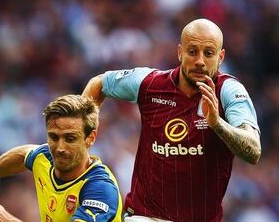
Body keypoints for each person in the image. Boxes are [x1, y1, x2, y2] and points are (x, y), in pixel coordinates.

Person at [82, 18, 261, 222]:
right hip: (144, 216)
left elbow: (253, 151)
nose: (200, 61)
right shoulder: (149, 84)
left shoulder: (229, 91)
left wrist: (217, 124)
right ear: (179, 52)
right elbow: (98, 84)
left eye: (208, 53)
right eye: (192, 51)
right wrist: (81, 138)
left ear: (220, 57)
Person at [0, 94, 122, 222]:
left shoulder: (99, 189)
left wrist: (5, 219)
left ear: (90, 138)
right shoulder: (45, 158)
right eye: (53, 137)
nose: (60, 148)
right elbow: (24, 154)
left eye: (70, 139)